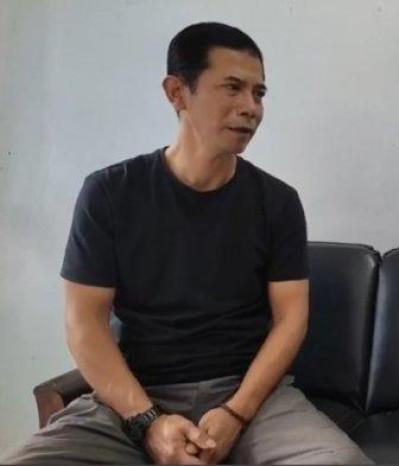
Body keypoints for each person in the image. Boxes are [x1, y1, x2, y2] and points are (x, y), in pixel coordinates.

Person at [4, 22, 372, 465]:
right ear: (177, 92)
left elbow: (291, 319)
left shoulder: (277, 202)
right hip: (135, 395)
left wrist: (235, 413)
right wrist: (148, 421)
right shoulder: (109, 193)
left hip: (249, 396)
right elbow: (84, 324)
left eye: (258, 93)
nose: (251, 108)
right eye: (233, 88)